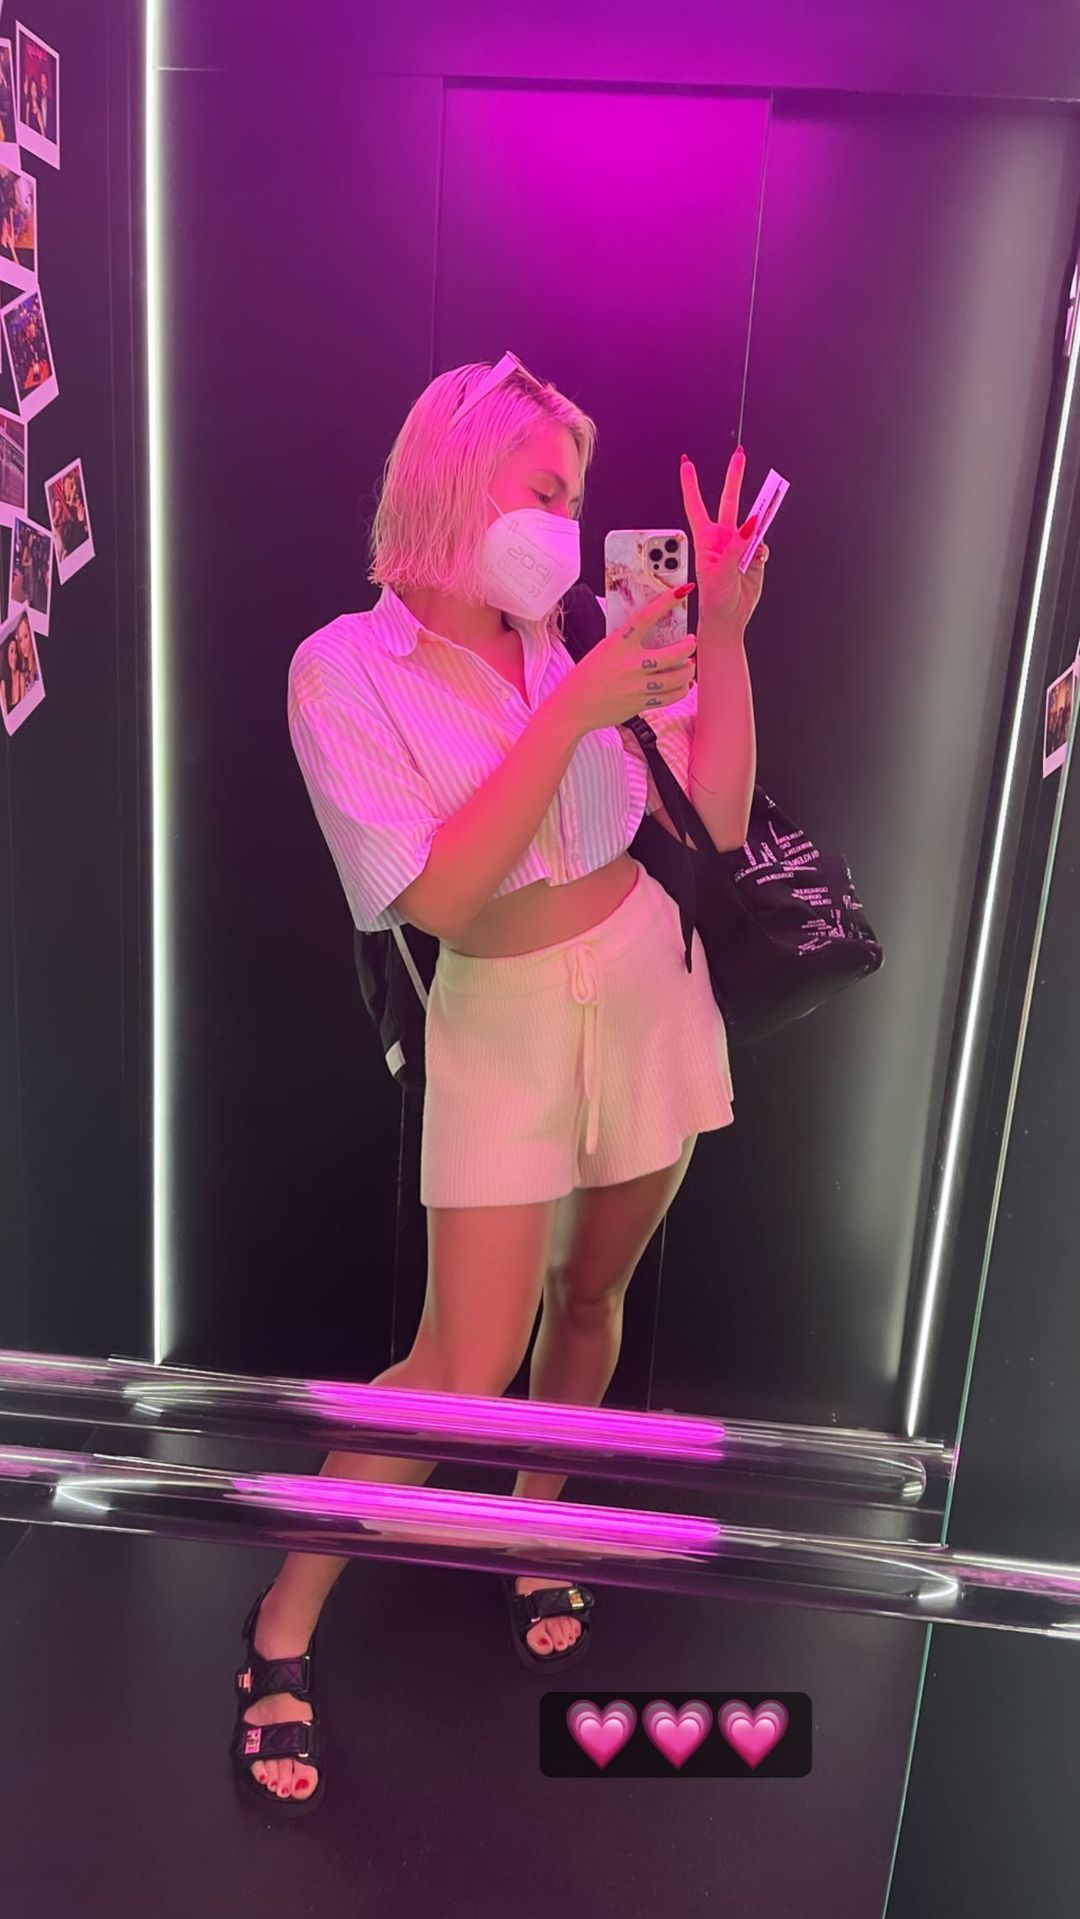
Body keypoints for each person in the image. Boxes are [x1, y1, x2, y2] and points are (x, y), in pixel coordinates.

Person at [240, 357, 751, 1813]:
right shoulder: (342, 669)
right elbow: (443, 900)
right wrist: (567, 712)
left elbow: (716, 821)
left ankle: (540, 1526)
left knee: (593, 1296)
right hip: (501, 1015)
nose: (564, 520)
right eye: (543, 487)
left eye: (574, 494)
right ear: (454, 481)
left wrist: (721, 634)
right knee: (458, 1363)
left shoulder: (579, 640)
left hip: (644, 987)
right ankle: (279, 1623)